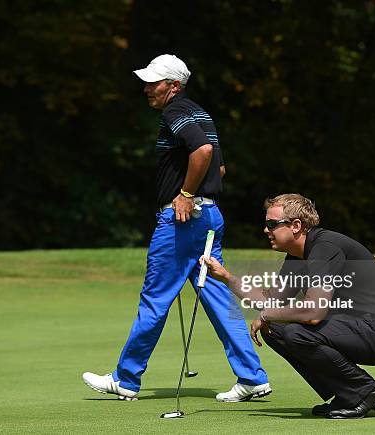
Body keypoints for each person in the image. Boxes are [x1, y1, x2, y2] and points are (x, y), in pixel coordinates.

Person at [82, 54, 270, 402]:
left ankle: (126, 378)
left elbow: (202, 150)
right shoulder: (201, 112)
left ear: (173, 86)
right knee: (216, 297)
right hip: (209, 216)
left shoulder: (174, 112)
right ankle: (252, 377)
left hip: (183, 220)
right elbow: (220, 169)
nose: (146, 88)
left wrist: (185, 194)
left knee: (155, 298)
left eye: (154, 82)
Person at [203, 193, 375, 418]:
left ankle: (366, 391)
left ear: (296, 225)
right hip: (358, 327)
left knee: (295, 333)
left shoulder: (325, 248)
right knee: (274, 330)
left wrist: (268, 314)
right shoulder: (297, 256)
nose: (265, 230)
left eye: (272, 224)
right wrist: (226, 277)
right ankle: (347, 393)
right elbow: (271, 300)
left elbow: (313, 313)